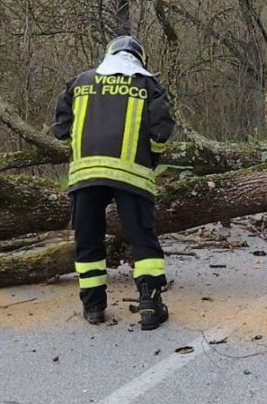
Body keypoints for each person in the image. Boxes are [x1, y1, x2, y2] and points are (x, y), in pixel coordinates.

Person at [52, 36, 175, 330]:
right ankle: (149, 305)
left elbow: (61, 130)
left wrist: (82, 147)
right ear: (140, 59)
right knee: (142, 238)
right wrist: (151, 159)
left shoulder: (80, 82)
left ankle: (93, 307)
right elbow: (161, 132)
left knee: (88, 240)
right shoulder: (148, 85)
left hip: (85, 175)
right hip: (131, 175)